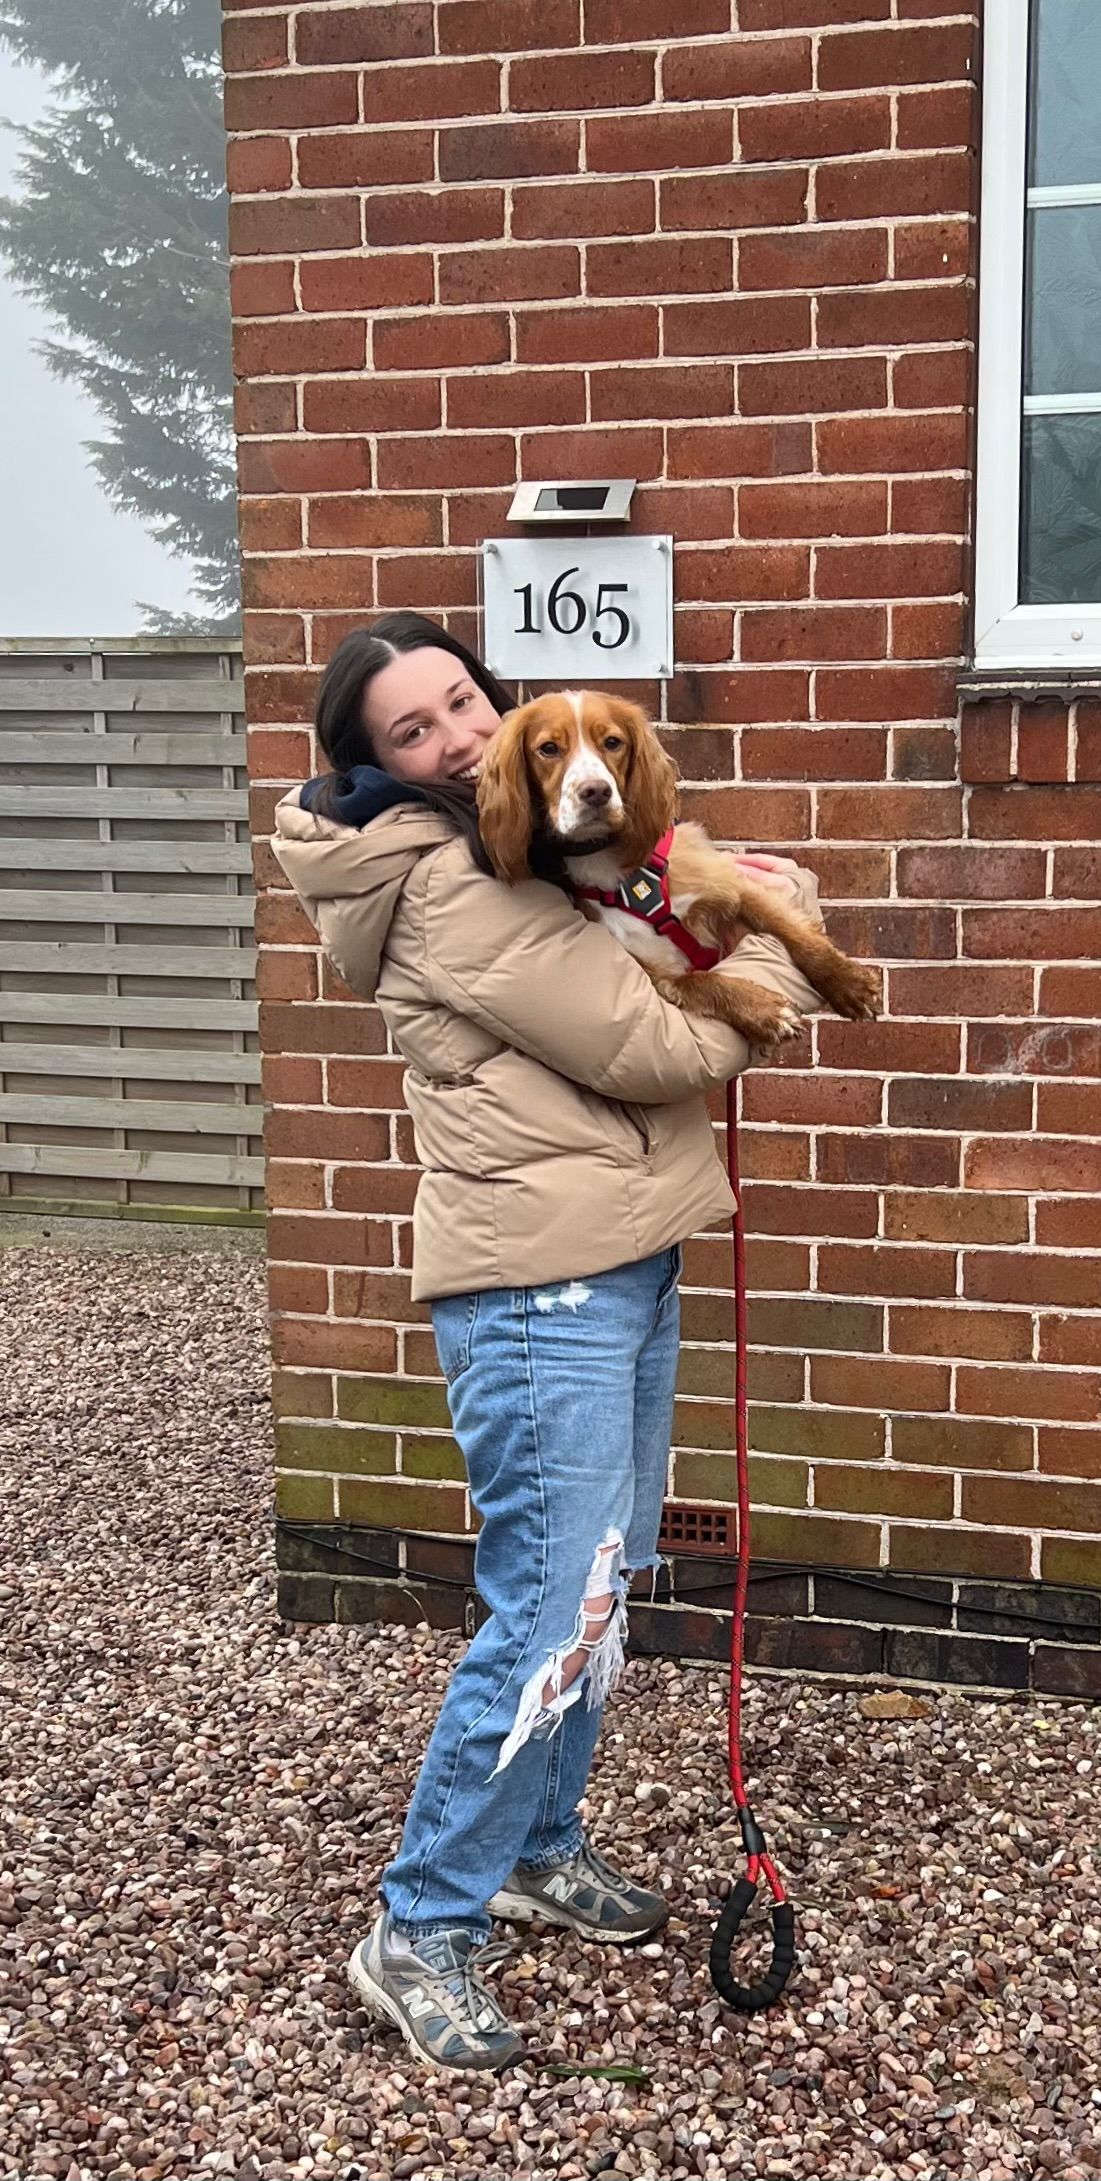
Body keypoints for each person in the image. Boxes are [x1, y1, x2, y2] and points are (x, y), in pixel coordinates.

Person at [272, 611, 823, 2073]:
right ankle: (421, 1918)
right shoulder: (451, 881)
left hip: (617, 1261)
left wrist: (724, 917)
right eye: (411, 729)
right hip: (539, 1292)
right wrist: (765, 978)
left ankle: (536, 1845)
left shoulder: (529, 852)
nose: (451, 735)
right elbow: (644, 1045)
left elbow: (658, 942)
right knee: (543, 1609)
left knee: (603, 1592)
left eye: (461, 701)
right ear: (371, 766)